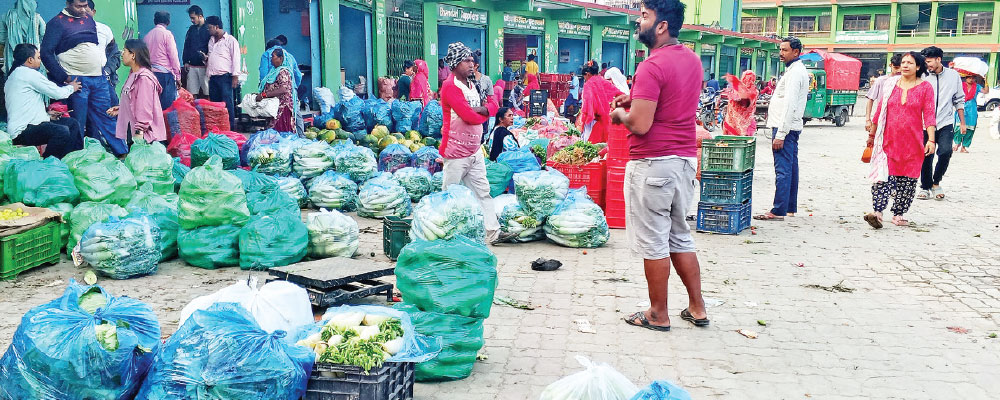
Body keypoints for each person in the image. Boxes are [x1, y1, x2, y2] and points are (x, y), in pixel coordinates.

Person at [609, 0, 707, 332]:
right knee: (680, 236)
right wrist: (635, 96)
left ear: (661, 25)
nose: (638, 22)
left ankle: (657, 314)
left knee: (654, 241)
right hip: (684, 161)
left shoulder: (652, 65)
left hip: (654, 163)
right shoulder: (691, 59)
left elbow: (639, 124)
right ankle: (697, 308)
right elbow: (671, 97)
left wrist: (620, 114)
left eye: (644, 16)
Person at [437, 42, 510, 245]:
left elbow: (494, 105)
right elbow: (469, 116)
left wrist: (483, 110)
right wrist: (484, 112)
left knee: (483, 193)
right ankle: (443, 236)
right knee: (450, 195)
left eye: (472, 61)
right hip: (455, 152)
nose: (472, 64)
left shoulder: (473, 84)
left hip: (474, 150)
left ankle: (492, 232)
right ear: (454, 64)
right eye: (466, 61)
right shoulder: (450, 86)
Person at [40, 0, 127, 156]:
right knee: (78, 121)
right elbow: (46, 53)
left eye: (85, 6)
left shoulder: (87, 19)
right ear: (68, 4)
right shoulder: (56, 23)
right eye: (78, 6)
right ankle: (78, 157)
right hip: (76, 79)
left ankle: (122, 152)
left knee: (106, 116)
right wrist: (64, 77)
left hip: (98, 78)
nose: (83, 10)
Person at [864, 52, 936, 229]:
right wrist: (871, 136)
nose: (905, 65)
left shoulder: (925, 87)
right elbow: (879, 112)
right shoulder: (890, 85)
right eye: (903, 62)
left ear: (918, 67)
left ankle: (898, 214)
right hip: (887, 141)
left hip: (913, 143)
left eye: (910, 63)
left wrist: (931, 140)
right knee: (882, 178)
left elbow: (929, 115)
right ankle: (878, 213)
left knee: (907, 181)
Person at [755, 37, 810, 222]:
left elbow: (789, 104)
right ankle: (789, 207)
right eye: (780, 49)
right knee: (791, 168)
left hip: (784, 127)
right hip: (789, 127)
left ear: (796, 52)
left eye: (785, 50)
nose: (781, 53)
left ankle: (778, 210)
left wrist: (780, 134)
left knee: (783, 170)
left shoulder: (795, 73)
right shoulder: (794, 70)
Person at [4, 43, 83, 158]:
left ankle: (66, 160)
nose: (40, 61)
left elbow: (26, 105)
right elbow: (57, 93)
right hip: (22, 130)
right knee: (61, 131)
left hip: (30, 125)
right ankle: (49, 162)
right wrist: (72, 87)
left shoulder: (15, 75)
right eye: (38, 57)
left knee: (72, 124)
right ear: (30, 60)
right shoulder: (28, 74)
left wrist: (47, 115)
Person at [918, 46, 964, 201]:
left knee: (945, 152)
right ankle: (925, 187)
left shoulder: (953, 76)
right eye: (925, 62)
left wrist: (962, 123)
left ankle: (936, 182)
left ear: (938, 59)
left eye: (929, 61)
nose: (927, 65)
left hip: (946, 122)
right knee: (926, 155)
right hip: (924, 123)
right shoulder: (922, 76)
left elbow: (959, 99)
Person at [107, 39, 166, 145]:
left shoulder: (144, 78)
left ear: (133, 55)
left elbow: (144, 107)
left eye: (125, 50)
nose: (122, 53)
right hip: (132, 130)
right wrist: (121, 109)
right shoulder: (133, 74)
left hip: (143, 137)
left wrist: (140, 132)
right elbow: (134, 101)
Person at [204, 16, 240, 129]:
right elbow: (212, 56)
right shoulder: (211, 41)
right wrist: (206, 59)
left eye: (210, 28)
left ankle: (230, 129)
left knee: (227, 104)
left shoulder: (230, 40)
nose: (208, 30)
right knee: (215, 105)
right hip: (213, 77)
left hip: (225, 77)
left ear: (217, 27)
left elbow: (236, 59)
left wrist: (235, 76)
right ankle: (219, 129)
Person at [576, 60, 623, 143]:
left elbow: (587, 107)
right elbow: (620, 95)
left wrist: (582, 122)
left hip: (593, 122)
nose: (585, 78)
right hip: (606, 120)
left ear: (588, 74)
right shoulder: (604, 82)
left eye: (584, 76)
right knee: (604, 145)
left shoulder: (588, 85)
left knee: (589, 145)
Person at [143, 11, 180, 109]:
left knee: (153, 105)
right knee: (166, 107)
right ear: (168, 22)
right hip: (165, 75)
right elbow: (173, 56)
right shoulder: (167, 35)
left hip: (150, 74)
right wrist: (178, 76)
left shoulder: (147, 36)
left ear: (155, 21)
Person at [86, 0, 120, 103]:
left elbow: (114, 54)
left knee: (112, 108)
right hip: (81, 79)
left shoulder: (104, 30)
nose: (83, 15)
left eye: (86, 12)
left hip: (103, 78)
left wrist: (107, 71)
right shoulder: (70, 30)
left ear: (93, 12)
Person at [0, 0, 46, 75]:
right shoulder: (37, 18)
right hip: (33, 55)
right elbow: (43, 35)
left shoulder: (6, 17)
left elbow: (2, 39)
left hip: (12, 56)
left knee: (14, 78)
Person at [256, 48, 295, 132]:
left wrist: (264, 95)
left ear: (280, 58)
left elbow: (283, 89)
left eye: (273, 56)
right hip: (274, 107)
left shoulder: (283, 72)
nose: (271, 59)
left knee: (281, 132)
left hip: (282, 107)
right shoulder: (273, 71)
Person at [865, 53, 903, 134]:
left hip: (900, 121)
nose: (898, 71)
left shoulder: (907, 82)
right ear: (890, 65)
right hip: (882, 119)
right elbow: (870, 99)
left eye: (901, 68)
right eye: (896, 68)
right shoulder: (881, 80)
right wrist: (868, 120)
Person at [954, 75, 987, 153]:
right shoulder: (960, 85)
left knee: (970, 129)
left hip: (972, 110)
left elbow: (985, 91)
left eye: (973, 78)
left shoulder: (977, 86)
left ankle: (964, 147)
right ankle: (957, 143)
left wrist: (986, 82)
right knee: (958, 127)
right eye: (969, 78)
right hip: (961, 108)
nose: (971, 79)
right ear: (966, 78)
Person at [182, 5, 210, 99]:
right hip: (192, 66)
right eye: (191, 18)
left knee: (208, 92)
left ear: (200, 16)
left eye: (193, 18)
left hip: (205, 66)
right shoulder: (191, 29)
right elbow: (187, 45)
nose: (192, 20)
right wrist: (185, 61)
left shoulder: (209, 29)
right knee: (191, 93)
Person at [722, 70, 759, 137]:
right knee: (745, 141)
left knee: (732, 141)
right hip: (747, 125)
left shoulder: (737, 91)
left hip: (733, 123)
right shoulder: (755, 91)